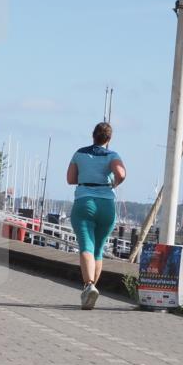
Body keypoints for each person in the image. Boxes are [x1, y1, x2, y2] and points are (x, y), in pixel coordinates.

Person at [66, 122, 126, 310]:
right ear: (109, 139)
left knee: (86, 246)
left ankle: (89, 285)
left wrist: (85, 176)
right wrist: (114, 183)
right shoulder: (112, 155)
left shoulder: (79, 153)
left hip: (85, 201)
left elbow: (70, 179)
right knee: (98, 249)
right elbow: (121, 174)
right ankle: (91, 290)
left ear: (93, 135)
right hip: (106, 204)